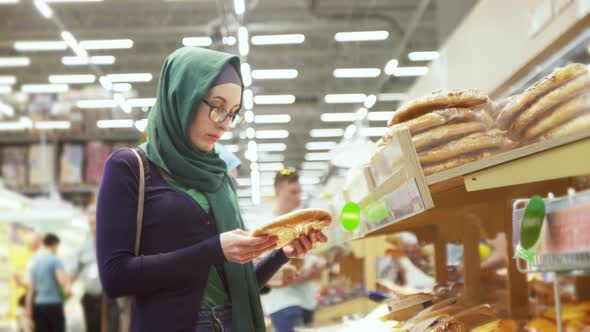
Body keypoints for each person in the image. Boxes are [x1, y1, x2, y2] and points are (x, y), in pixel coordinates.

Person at [96, 47, 327, 332]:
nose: (225, 124)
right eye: (217, 107)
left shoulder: (219, 178)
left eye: (233, 113)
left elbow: (238, 286)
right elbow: (115, 277)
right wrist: (213, 250)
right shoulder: (130, 167)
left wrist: (282, 253)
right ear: (182, 97)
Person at [261, 169, 324, 332]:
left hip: (307, 300)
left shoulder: (305, 224)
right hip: (283, 303)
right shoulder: (265, 227)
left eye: (299, 192)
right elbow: (258, 268)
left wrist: (315, 266)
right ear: (277, 192)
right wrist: (289, 274)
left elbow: (312, 256)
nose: (298, 197)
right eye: (293, 192)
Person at [70, 208, 119, 332]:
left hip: (109, 298)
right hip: (90, 298)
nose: (94, 227)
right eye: (91, 224)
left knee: (111, 328)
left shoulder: (114, 244)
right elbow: (73, 273)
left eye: (96, 223)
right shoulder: (83, 247)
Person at [26, 233, 71, 332]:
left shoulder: (35, 262)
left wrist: (28, 308)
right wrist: (67, 291)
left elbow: (30, 289)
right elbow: (62, 282)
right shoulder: (55, 260)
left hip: (38, 305)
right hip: (54, 305)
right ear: (55, 244)